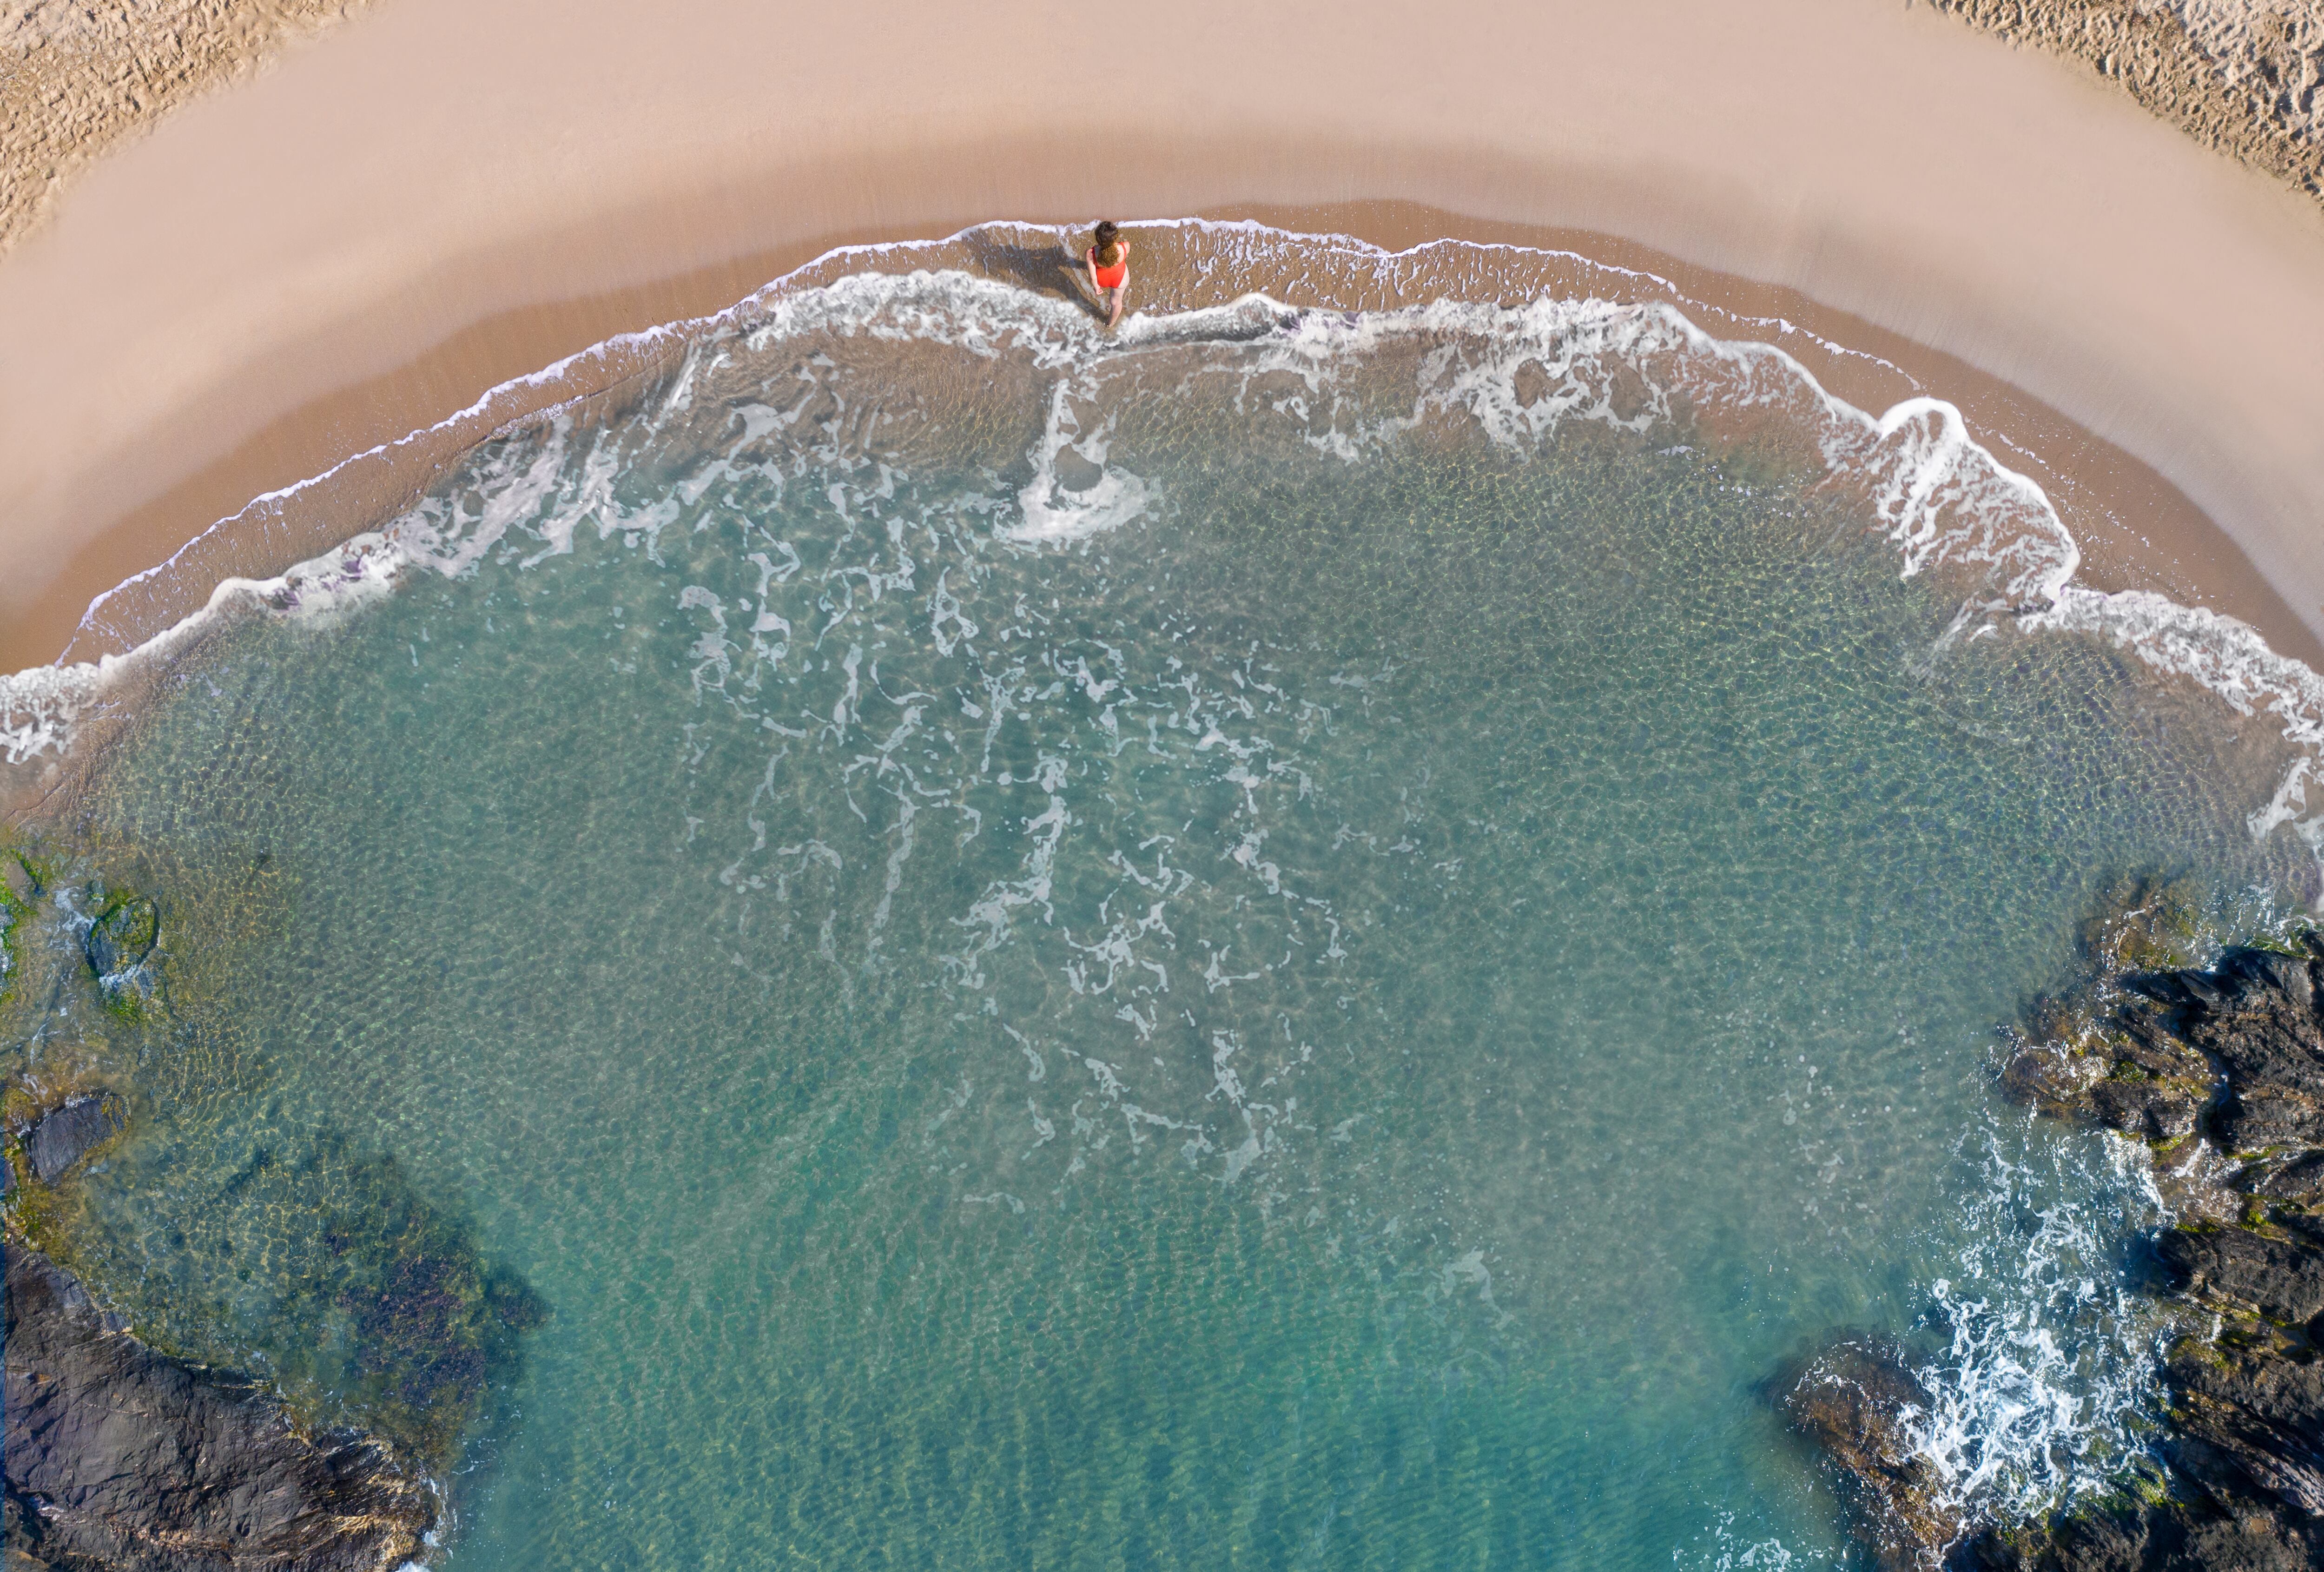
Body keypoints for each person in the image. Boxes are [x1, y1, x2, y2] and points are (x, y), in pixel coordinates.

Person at [1084, 221, 1130, 329]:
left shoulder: (1091, 253)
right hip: (1120, 278)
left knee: (1096, 268)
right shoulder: (1125, 247)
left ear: (1098, 239)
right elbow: (1123, 256)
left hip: (1103, 279)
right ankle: (1110, 324)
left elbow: (1093, 277)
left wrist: (1096, 287)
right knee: (1116, 303)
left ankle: (1110, 324)